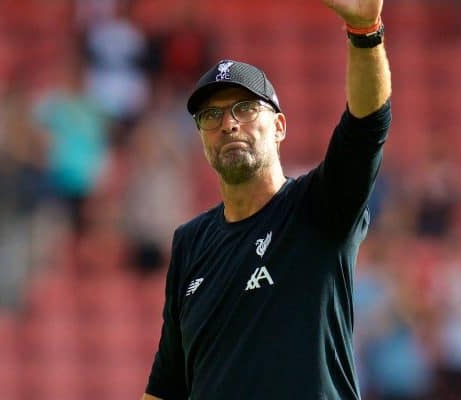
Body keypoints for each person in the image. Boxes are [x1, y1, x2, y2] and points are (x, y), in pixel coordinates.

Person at [143, 0, 391, 398]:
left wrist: (365, 35)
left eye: (244, 108)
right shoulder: (190, 243)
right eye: (211, 115)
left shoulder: (318, 206)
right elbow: (168, 385)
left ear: (279, 126)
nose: (228, 123)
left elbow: (367, 126)